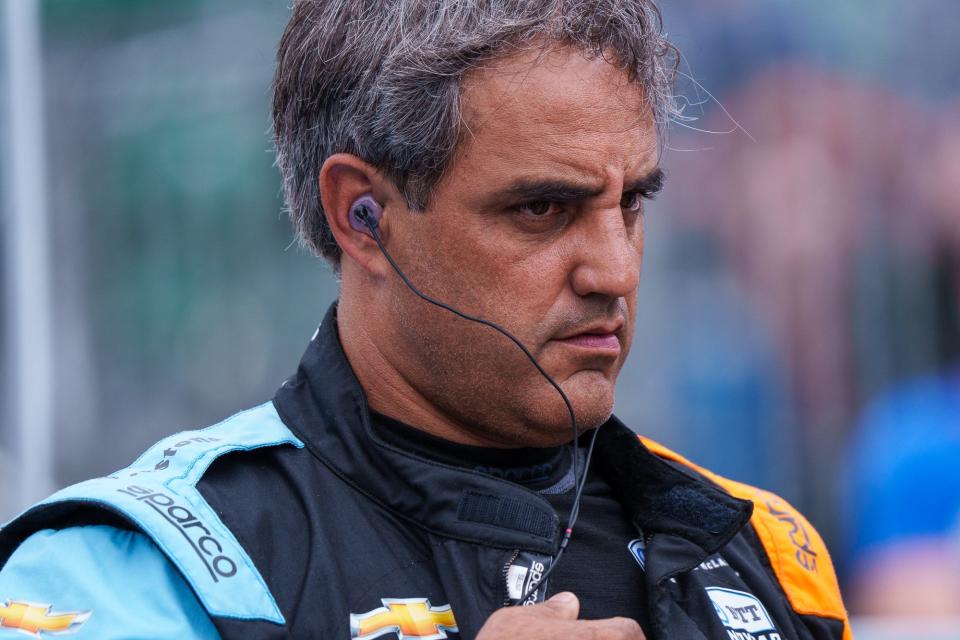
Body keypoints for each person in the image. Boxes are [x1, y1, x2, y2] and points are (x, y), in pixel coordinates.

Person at [0, 1, 850, 638]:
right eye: (543, 209)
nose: (616, 270)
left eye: (631, 202)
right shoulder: (144, 568)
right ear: (361, 215)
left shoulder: (764, 551)